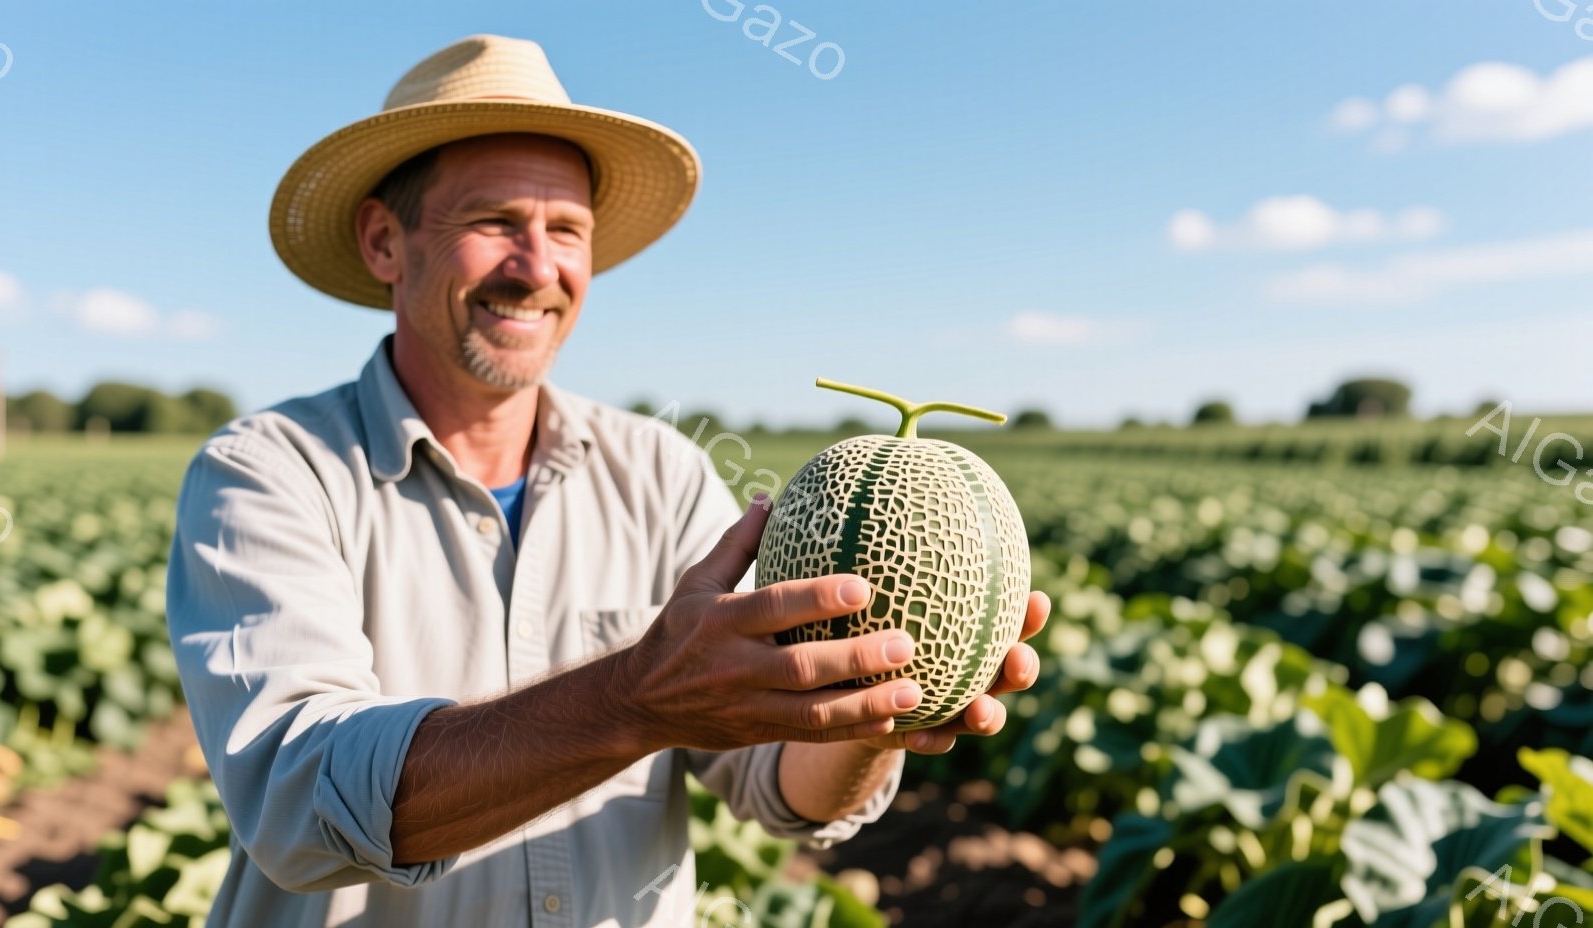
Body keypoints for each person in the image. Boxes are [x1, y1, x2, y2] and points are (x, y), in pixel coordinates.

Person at [166, 34, 1050, 927]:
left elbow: (778, 789)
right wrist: (631, 699)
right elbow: (300, 803)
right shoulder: (266, 473)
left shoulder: (664, 472)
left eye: (567, 231)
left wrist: (868, 714)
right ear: (384, 241)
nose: (538, 266)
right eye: (494, 221)